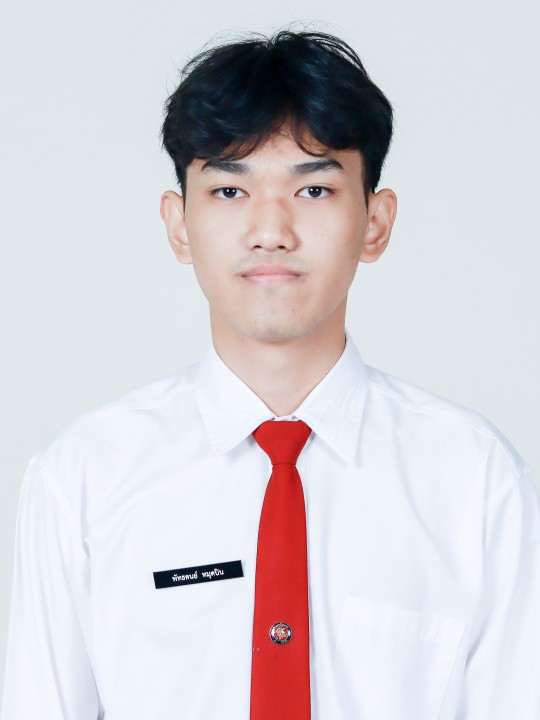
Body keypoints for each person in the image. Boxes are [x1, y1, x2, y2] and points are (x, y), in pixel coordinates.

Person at [1, 27, 539, 720]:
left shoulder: (474, 481)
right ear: (179, 225)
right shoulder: (83, 479)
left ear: (375, 223)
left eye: (314, 189)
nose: (271, 231)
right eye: (229, 190)